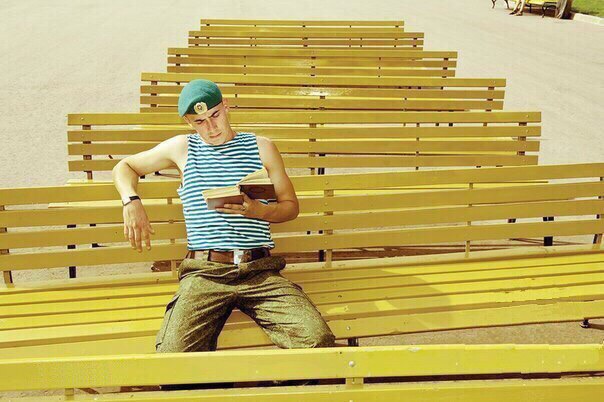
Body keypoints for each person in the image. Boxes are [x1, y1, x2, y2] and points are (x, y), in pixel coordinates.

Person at [112, 79, 335, 388]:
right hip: (205, 272)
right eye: (199, 122)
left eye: (215, 115)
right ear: (189, 123)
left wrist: (257, 211)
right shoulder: (182, 148)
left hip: (259, 270)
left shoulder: (261, 147)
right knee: (173, 359)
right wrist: (131, 201)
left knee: (317, 341)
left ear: (226, 106)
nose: (211, 127)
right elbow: (125, 166)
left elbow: (290, 207)